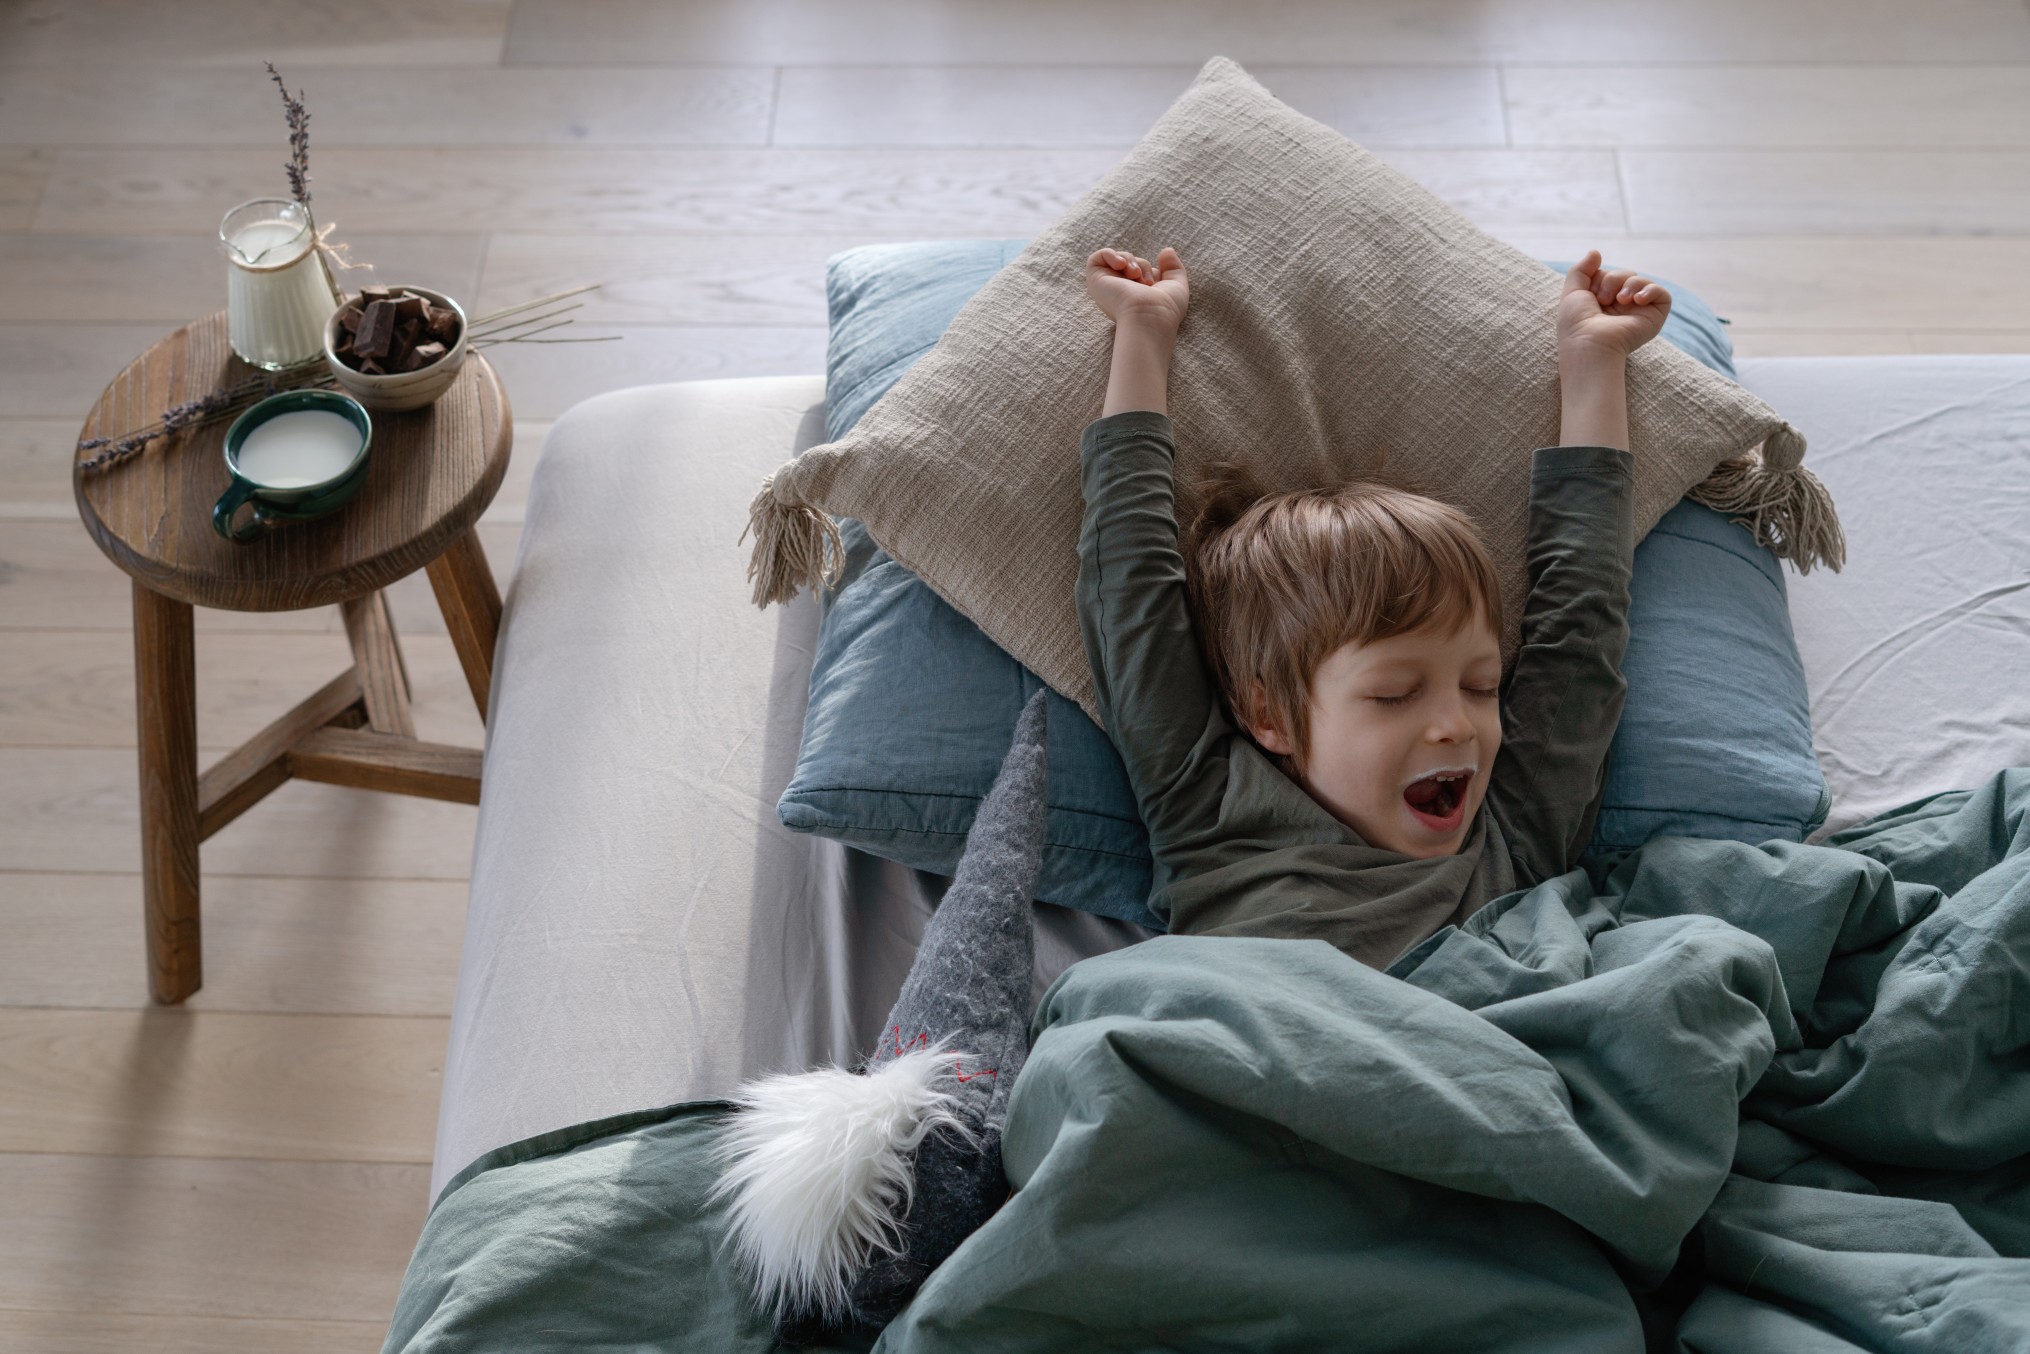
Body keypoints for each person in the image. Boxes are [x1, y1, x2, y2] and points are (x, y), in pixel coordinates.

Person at [1077, 244, 1670, 968]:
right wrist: (1142, 335)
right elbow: (1130, 591)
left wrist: (1593, 365)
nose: (1458, 725)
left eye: (1483, 686)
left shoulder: (1513, 827)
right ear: (1269, 716)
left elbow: (1581, 623)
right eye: (1394, 694)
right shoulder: (1212, 812)